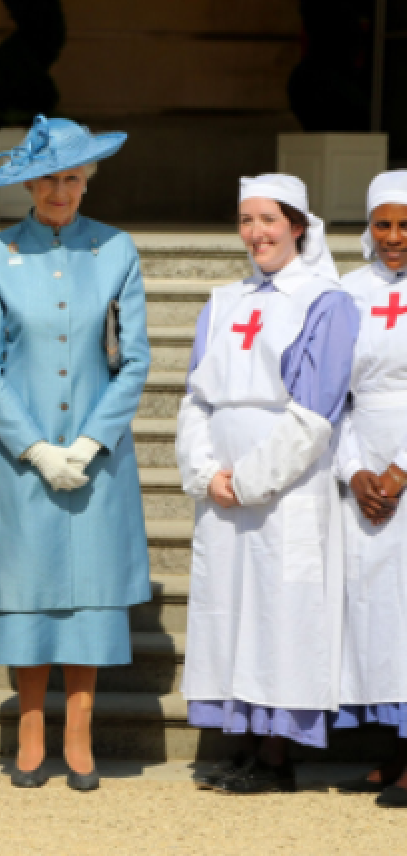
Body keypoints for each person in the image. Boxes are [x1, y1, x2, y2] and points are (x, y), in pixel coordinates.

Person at [0, 115, 152, 791]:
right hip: (23, 455)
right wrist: (38, 448)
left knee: (89, 593)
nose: (61, 190)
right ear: (29, 184)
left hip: (97, 453)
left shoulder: (116, 249)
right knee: (30, 591)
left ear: (86, 182)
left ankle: (78, 725)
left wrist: (91, 439)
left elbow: (134, 360)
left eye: (73, 177)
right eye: (49, 177)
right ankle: (30, 723)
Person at [177, 174, 359, 794]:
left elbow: (316, 410)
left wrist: (251, 479)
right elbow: (195, 397)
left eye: (268, 221)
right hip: (224, 488)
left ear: (298, 226)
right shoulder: (222, 301)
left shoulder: (324, 301)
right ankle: (244, 744)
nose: (255, 233)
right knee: (231, 613)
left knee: (280, 615)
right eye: (246, 220)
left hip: (285, 487)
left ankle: (278, 755)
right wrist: (206, 473)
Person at [332, 170, 407, 808]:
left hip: (405, 467)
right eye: (383, 223)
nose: (393, 236)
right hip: (365, 471)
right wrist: (356, 470)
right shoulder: (347, 291)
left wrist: (401, 470)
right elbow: (336, 394)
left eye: (406, 224)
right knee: (380, 614)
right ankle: (394, 749)